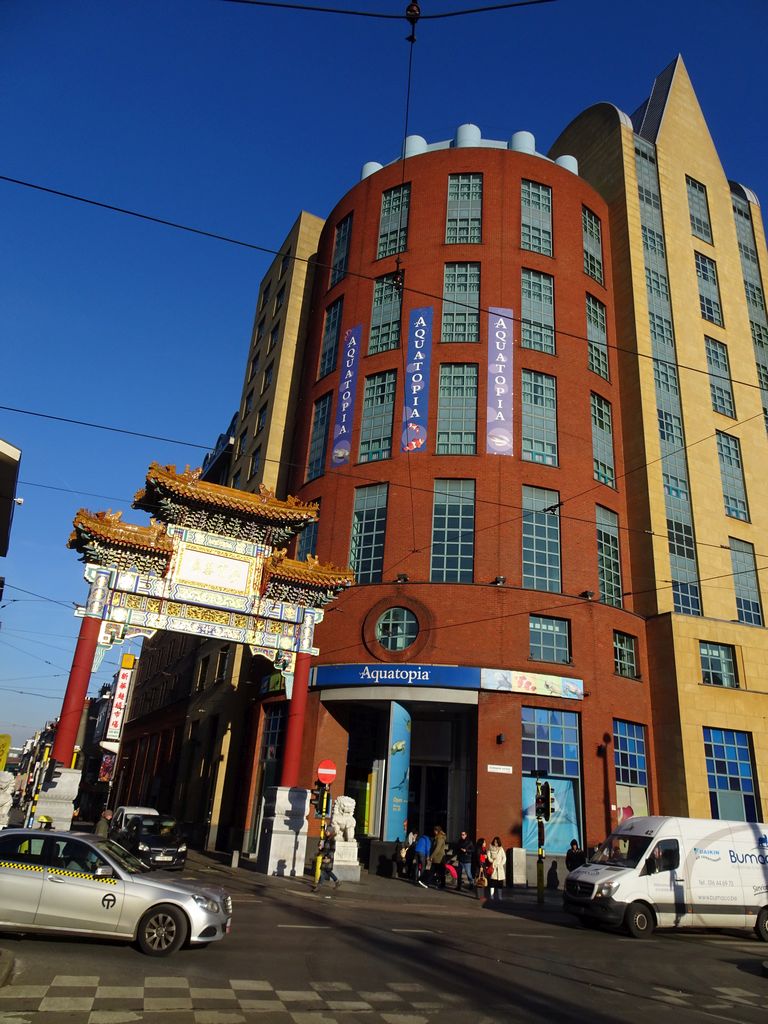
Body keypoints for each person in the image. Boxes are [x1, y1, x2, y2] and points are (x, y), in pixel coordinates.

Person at [312, 824, 341, 893]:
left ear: (331, 832)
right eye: (326, 831)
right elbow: (323, 849)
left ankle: (319, 886)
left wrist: (328, 857)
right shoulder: (326, 839)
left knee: (322, 872)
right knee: (328, 871)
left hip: (328, 858)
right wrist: (320, 848)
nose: (326, 832)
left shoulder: (332, 840)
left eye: (328, 831)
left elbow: (332, 850)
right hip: (325, 857)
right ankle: (337, 882)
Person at [487, 836, 507, 901]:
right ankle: (492, 896)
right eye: (495, 842)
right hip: (493, 867)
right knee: (492, 882)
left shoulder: (501, 849)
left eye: (497, 842)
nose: (496, 843)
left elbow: (504, 857)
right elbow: (488, 856)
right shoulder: (490, 848)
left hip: (500, 868)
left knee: (500, 883)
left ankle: (500, 896)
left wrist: (501, 864)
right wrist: (492, 861)